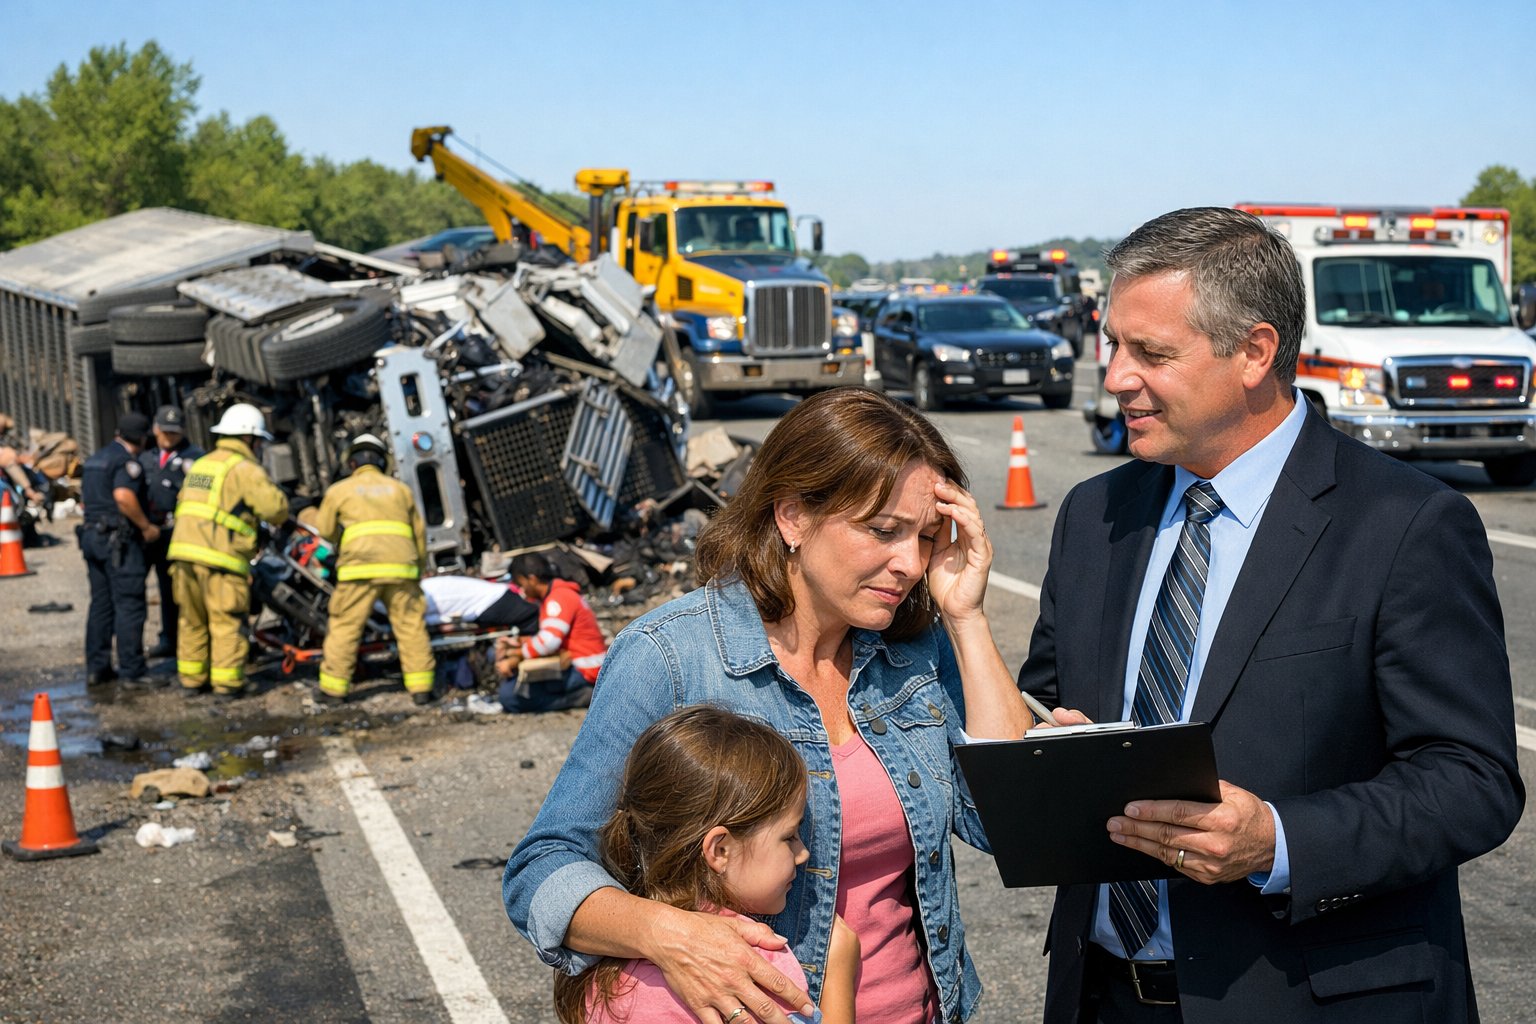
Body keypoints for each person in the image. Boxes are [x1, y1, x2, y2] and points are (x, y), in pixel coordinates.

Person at [1016, 207, 1524, 1023]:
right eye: (1112, 344)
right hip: (1105, 995)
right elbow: (1042, 711)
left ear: (1253, 352)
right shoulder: (1094, 514)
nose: (1113, 376)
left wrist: (1280, 840)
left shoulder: (1405, 525)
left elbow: (1473, 781)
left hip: (1313, 1000)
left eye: (1150, 353)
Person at [504, 387, 1036, 1024]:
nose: (910, 564)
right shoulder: (669, 657)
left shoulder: (914, 650)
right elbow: (542, 869)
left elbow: (1007, 821)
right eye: (882, 530)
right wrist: (667, 935)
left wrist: (967, 617)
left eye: (925, 537)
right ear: (793, 518)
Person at [554, 705, 860, 1024]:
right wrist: (837, 971)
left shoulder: (607, 966)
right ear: (720, 850)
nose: (803, 853)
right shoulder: (754, 965)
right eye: (790, 836)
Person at [168, 403, 289, 699]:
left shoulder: (201, 464)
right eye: (258, 441)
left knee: (191, 619)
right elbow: (275, 510)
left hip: (183, 554)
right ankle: (227, 684)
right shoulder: (245, 469)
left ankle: (192, 680)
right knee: (226, 622)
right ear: (249, 438)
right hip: (219, 558)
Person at [309, 433, 435, 706]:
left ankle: (333, 691)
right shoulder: (400, 490)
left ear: (352, 463)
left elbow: (326, 531)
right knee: (411, 627)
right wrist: (420, 567)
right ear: (382, 462)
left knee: (345, 627)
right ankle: (422, 688)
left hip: (358, 570)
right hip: (402, 568)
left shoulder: (339, 490)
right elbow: (419, 534)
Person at [78, 412, 159, 688]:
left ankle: (97, 668)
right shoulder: (127, 463)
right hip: (119, 542)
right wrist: (146, 527)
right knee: (130, 605)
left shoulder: (95, 459)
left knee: (101, 604)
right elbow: (123, 497)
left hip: (91, 537)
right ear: (141, 437)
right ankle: (132, 671)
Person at [492, 553, 607, 712]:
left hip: (584, 670)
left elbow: (548, 642)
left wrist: (515, 657)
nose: (521, 590)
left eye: (521, 584)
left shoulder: (558, 597)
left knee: (509, 697)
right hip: (580, 664)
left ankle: (581, 696)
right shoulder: (559, 594)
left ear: (532, 579)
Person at [138, 405, 203, 660]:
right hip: (147, 531)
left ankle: (173, 639)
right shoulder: (147, 456)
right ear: (155, 429)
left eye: (174, 433)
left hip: (176, 532)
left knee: (172, 590)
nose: (169, 438)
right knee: (136, 590)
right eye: (164, 432)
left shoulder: (195, 457)